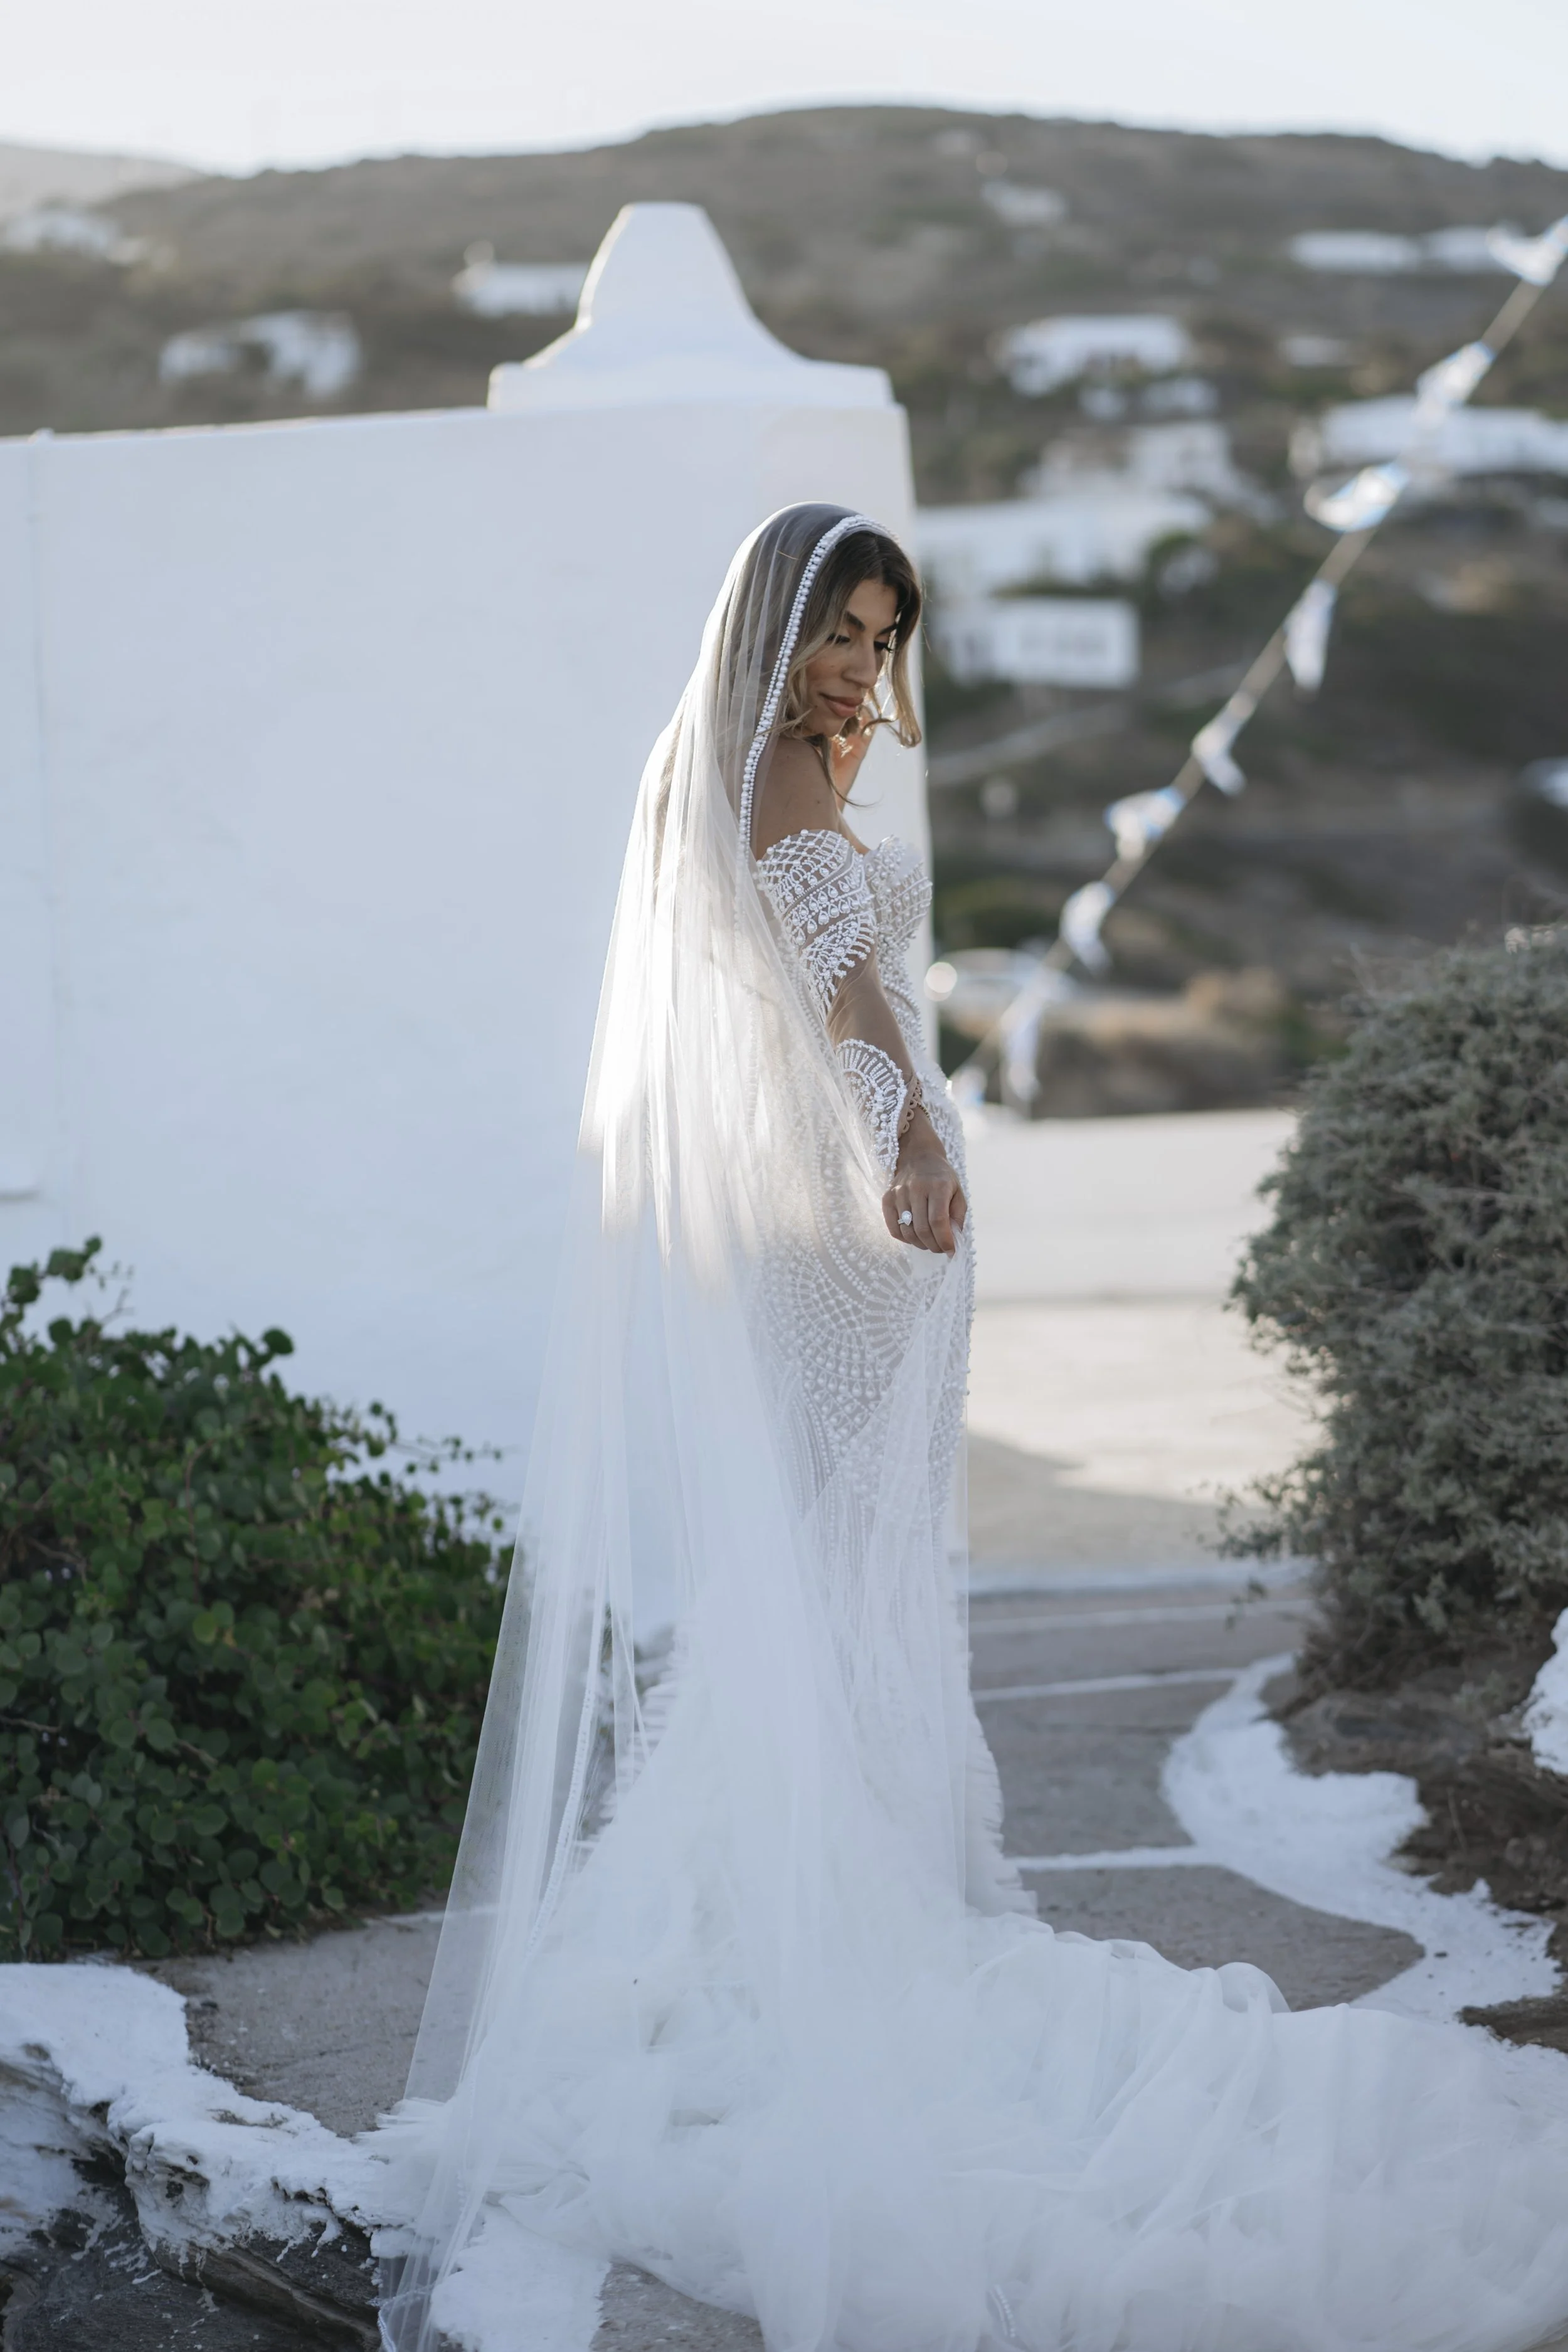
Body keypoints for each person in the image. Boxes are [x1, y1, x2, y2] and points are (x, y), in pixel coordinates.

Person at [377, 505, 1568, 2352]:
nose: (855, 663)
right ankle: (794, 1935)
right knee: (827, 1581)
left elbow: (814, 986)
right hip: (855, 1240)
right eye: (834, 627)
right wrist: (906, 1142)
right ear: (769, 628)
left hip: (846, 1247)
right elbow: (845, 998)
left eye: (876, 633)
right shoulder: (776, 774)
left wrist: (894, 1147)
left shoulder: (759, 771)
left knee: (826, 1581)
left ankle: (807, 1901)